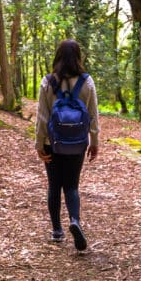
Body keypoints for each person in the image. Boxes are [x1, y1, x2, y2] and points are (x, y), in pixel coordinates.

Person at [35, 39, 100, 250]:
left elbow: (42, 117)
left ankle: (57, 231)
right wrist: (94, 141)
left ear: (58, 56)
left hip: (52, 143)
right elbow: (93, 116)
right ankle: (74, 220)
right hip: (77, 143)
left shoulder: (47, 82)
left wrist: (39, 143)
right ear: (78, 56)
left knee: (54, 185)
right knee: (71, 185)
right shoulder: (87, 82)